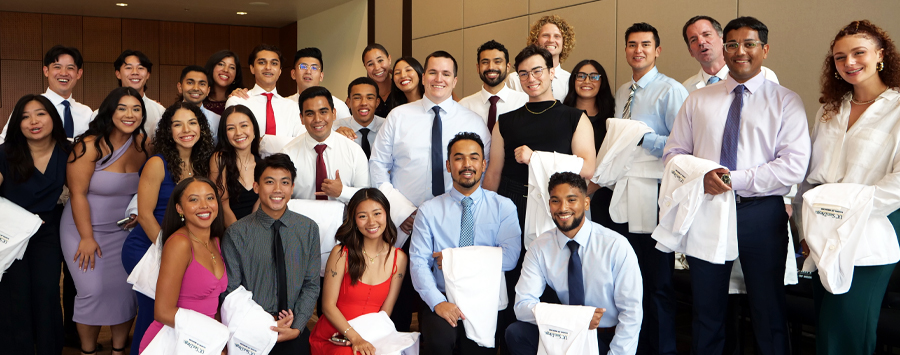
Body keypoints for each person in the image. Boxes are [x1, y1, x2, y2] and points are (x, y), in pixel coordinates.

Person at [664, 16, 811, 355]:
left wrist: (731, 180)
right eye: (732, 44)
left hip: (761, 214)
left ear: (765, 49)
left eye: (749, 44)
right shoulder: (698, 100)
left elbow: (792, 166)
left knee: (769, 310)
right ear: (724, 48)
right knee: (707, 310)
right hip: (707, 211)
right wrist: (702, 178)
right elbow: (673, 154)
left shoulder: (786, 101)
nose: (740, 51)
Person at [369, 51, 491, 332]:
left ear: (455, 80)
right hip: (404, 224)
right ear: (423, 77)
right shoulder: (398, 117)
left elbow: (481, 173)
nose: (439, 79)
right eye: (433, 72)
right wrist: (404, 211)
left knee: (450, 303)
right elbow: (377, 167)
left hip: (454, 224)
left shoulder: (472, 122)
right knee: (398, 303)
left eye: (446, 74)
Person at [800, 20, 900, 354]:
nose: (849, 63)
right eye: (840, 57)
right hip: (822, 226)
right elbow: (812, 176)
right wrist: (806, 225)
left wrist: (849, 211)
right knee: (826, 316)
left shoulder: (898, 108)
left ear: (880, 55)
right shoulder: (830, 110)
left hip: (874, 223)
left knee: (848, 320)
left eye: (859, 53)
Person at [610, 22, 688, 355]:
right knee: (630, 281)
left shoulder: (671, 90)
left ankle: (664, 350)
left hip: (656, 195)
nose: (637, 50)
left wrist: (643, 137)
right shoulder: (622, 91)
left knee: (658, 284)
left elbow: (684, 145)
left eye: (645, 44)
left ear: (657, 50)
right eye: (631, 44)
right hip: (626, 192)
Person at [505, 172, 642, 355]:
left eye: (571, 200)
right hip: (561, 333)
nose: (563, 208)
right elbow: (522, 306)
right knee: (516, 333)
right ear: (549, 204)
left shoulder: (616, 246)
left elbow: (631, 314)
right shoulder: (540, 247)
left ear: (586, 203)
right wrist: (576, 319)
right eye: (556, 201)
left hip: (603, 337)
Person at [411, 132, 520, 354]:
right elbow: (418, 262)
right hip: (442, 296)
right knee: (439, 342)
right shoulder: (429, 210)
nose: (467, 164)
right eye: (459, 158)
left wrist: (453, 260)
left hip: (486, 300)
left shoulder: (503, 207)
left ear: (483, 164)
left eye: (473, 158)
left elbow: (509, 259)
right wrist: (436, 302)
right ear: (449, 165)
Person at [61, 87, 150, 355]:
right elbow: (77, 194)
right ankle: (87, 350)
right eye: (122, 108)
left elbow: (145, 187)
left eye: (136, 109)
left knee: (126, 291)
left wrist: (137, 211)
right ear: (110, 111)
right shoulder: (88, 145)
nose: (129, 114)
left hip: (124, 230)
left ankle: (118, 349)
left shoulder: (143, 144)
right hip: (82, 229)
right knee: (93, 290)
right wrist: (87, 238)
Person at [121, 102, 215, 351]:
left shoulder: (203, 165)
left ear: (201, 128)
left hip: (183, 250)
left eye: (192, 122)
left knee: (176, 314)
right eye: (177, 124)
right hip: (150, 247)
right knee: (153, 315)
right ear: (168, 131)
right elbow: (144, 215)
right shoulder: (157, 164)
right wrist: (169, 252)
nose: (186, 129)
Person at [221, 153, 321, 355]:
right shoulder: (237, 233)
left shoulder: (308, 229)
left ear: (292, 188)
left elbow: (311, 285)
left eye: (284, 182)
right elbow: (231, 291)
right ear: (256, 187)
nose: (277, 189)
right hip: (249, 331)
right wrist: (264, 323)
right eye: (269, 182)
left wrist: (297, 326)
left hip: (293, 328)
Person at [0, 94, 71, 355]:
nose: (33, 121)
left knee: (47, 292)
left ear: (52, 117)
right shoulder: (5, 154)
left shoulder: (69, 151)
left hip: (47, 231)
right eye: (25, 116)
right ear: (17, 123)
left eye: (40, 113)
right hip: (9, 234)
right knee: (14, 295)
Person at [309, 188, 408, 355]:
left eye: (377, 213)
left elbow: (385, 311)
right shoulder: (341, 254)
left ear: (387, 214)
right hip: (335, 334)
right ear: (354, 220)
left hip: (371, 335)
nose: (371, 222)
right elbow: (328, 306)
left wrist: (367, 338)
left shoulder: (399, 258)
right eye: (362, 216)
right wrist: (354, 337)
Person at [138, 177, 228, 352]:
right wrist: (214, 334)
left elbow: (214, 303)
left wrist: (219, 341)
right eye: (194, 199)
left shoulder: (216, 241)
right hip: (174, 342)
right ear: (179, 208)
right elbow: (163, 312)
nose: (204, 205)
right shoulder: (180, 244)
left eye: (210, 198)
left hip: (204, 343)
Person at [280, 86, 369, 203]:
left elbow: (366, 196)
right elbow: (280, 197)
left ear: (333, 113)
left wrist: (342, 192)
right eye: (310, 114)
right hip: (301, 220)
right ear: (301, 118)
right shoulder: (287, 154)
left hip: (344, 220)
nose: (317, 119)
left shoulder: (354, 151)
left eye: (323, 112)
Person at [561, 59, 619, 231]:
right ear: (573, 81)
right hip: (568, 194)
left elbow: (616, 159)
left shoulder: (612, 119)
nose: (587, 81)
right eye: (581, 76)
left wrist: (592, 187)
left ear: (602, 82)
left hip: (604, 195)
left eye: (594, 76)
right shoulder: (562, 116)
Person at [0, 45, 92, 143]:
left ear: (79, 73)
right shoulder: (29, 107)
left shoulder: (86, 113)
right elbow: (4, 142)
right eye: (57, 67)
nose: (64, 73)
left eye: (70, 68)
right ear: (46, 71)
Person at [224, 44, 304, 153]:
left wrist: (263, 141)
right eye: (262, 62)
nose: (268, 67)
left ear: (280, 71)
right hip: (248, 167)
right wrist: (285, 143)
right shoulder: (237, 101)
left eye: (274, 63)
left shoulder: (292, 106)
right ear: (252, 68)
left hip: (286, 168)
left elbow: (301, 143)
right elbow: (235, 140)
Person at [681, 16, 779, 93]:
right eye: (693, 39)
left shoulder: (764, 75)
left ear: (723, 39)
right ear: (690, 51)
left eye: (707, 34)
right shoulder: (685, 88)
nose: (701, 42)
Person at [94, 50, 166, 140]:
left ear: (148, 74)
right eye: (128, 68)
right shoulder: (101, 113)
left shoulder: (160, 111)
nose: (135, 72)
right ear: (118, 74)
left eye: (140, 68)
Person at [459, 40, 528, 132]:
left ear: (508, 67)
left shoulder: (524, 102)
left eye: (497, 62)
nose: (491, 67)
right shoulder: (464, 106)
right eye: (485, 62)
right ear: (478, 68)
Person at [210, 105, 262, 226]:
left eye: (244, 125)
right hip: (229, 232)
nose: (238, 133)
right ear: (225, 134)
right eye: (231, 128)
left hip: (256, 230)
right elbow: (223, 206)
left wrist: (252, 235)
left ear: (254, 129)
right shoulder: (219, 159)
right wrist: (239, 238)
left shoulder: (263, 165)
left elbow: (259, 207)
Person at [507, 15, 575, 101]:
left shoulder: (571, 80)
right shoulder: (514, 79)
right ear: (536, 40)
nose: (551, 40)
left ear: (564, 42)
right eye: (545, 35)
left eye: (557, 36)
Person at [285, 47, 352, 119]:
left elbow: (348, 129)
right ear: (293, 74)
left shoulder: (338, 106)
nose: (308, 71)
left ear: (321, 76)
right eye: (303, 66)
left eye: (314, 68)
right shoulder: (284, 105)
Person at [333, 77, 385, 159]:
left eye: (369, 98)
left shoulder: (387, 127)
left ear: (377, 102)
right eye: (357, 98)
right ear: (349, 102)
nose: (364, 103)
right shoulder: (334, 129)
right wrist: (334, 138)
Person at [177, 65, 221, 140]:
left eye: (202, 84)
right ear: (180, 87)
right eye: (190, 83)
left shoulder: (217, 120)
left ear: (208, 90)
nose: (196, 88)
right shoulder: (166, 117)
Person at [203, 50, 244, 115]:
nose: (226, 70)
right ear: (212, 68)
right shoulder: (199, 97)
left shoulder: (239, 99)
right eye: (221, 64)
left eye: (232, 67)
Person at [361, 44, 394, 117]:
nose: (377, 67)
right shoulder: (362, 95)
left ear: (389, 59)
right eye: (370, 64)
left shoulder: (402, 90)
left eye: (380, 60)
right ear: (365, 67)